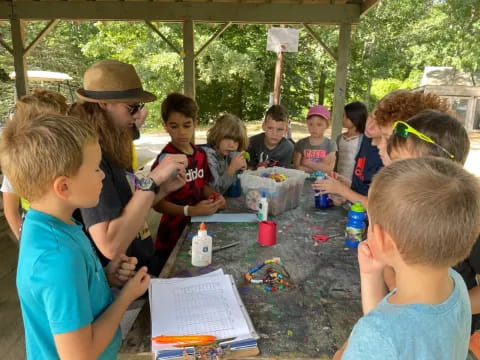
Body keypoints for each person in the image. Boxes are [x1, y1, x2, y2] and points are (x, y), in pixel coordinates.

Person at [0, 113, 150, 359]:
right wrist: (126, 297)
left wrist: (104, 277)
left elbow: (65, 294)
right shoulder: (58, 257)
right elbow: (79, 355)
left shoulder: (49, 224)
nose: (102, 175)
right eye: (95, 169)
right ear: (63, 187)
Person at [339, 157, 480, 359]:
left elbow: (386, 331)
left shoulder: (376, 336)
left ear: (380, 238)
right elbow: (392, 318)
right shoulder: (455, 287)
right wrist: (370, 274)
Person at [69, 60, 188, 275]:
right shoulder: (90, 156)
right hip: (115, 282)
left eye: (139, 107)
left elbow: (126, 207)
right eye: (131, 107)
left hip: (139, 262)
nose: (136, 115)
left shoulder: (113, 139)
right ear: (104, 104)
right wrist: (153, 180)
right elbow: (110, 245)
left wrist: (161, 190)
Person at [385, 110, 480, 337]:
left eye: (401, 166)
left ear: (440, 167)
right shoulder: (406, 204)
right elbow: (389, 263)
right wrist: (398, 294)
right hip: (405, 318)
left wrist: (435, 309)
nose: (391, 174)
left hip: (450, 332)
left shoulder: (470, 217)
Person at [313, 90, 450, 208]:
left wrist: (343, 191)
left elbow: (380, 207)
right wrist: (348, 189)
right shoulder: (370, 142)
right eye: (372, 116)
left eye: (387, 138)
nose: (376, 144)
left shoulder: (414, 193)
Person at [152, 93, 226, 260]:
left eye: (186, 125)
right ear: (165, 126)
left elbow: (202, 185)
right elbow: (156, 203)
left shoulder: (200, 154)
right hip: (171, 235)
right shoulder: (165, 160)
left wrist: (215, 197)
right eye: (174, 126)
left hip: (198, 228)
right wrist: (189, 210)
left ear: (195, 123)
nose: (181, 132)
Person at [1, 89, 68, 240]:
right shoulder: (18, 159)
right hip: (38, 228)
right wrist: (24, 241)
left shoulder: (69, 152)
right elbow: (11, 209)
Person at [200, 113, 249, 194]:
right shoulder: (207, 155)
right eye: (227, 138)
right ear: (217, 135)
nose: (232, 145)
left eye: (236, 141)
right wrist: (232, 169)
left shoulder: (228, 153)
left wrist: (241, 168)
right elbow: (214, 191)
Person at [293, 104, 337, 173]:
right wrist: (319, 167)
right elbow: (297, 167)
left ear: (327, 125)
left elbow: (328, 170)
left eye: (319, 124)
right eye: (311, 124)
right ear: (307, 123)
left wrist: (308, 163)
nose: (314, 128)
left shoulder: (331, 145)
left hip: (322, 182)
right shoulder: (301, 143)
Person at [247, 104, 294, 168]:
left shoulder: (288, 148)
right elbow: (248, 170)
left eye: (279, 129)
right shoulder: (252, 143)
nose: (274, 133)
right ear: (263, 126)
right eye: (270, 128)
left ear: (286, 130)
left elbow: (282, 174)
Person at [335, 101, 367, 180]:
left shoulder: (364, 139)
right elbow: (335, 160)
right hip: (338, 179)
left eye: (345, 116)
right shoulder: (339, 138)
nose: (343, 119)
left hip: (354, 183)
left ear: (355, 117)